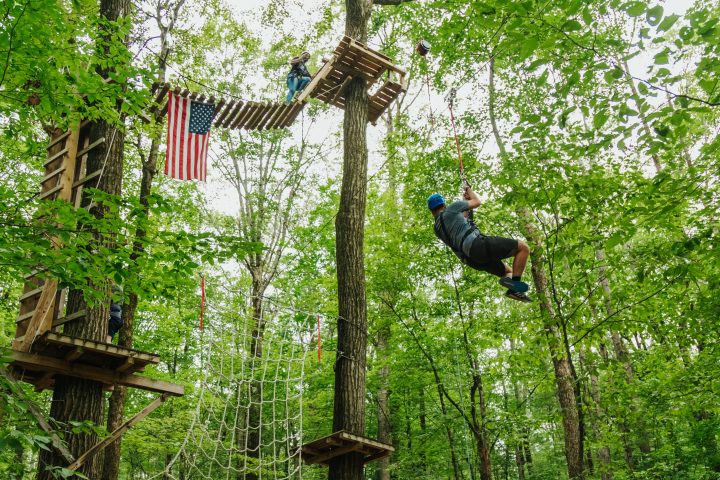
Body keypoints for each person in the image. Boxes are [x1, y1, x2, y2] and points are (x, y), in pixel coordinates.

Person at [428, 187, 532, 302]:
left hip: (472, 260)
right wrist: (469, 191)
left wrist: (465, 200)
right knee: (523, 248)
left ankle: (512, 286)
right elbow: (477, 202)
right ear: (444, 204)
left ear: (431, 211)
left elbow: (463, 219)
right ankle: (515, 289)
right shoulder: (451, 209)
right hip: (477, 246)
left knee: (508, 272)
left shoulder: (437, 229)